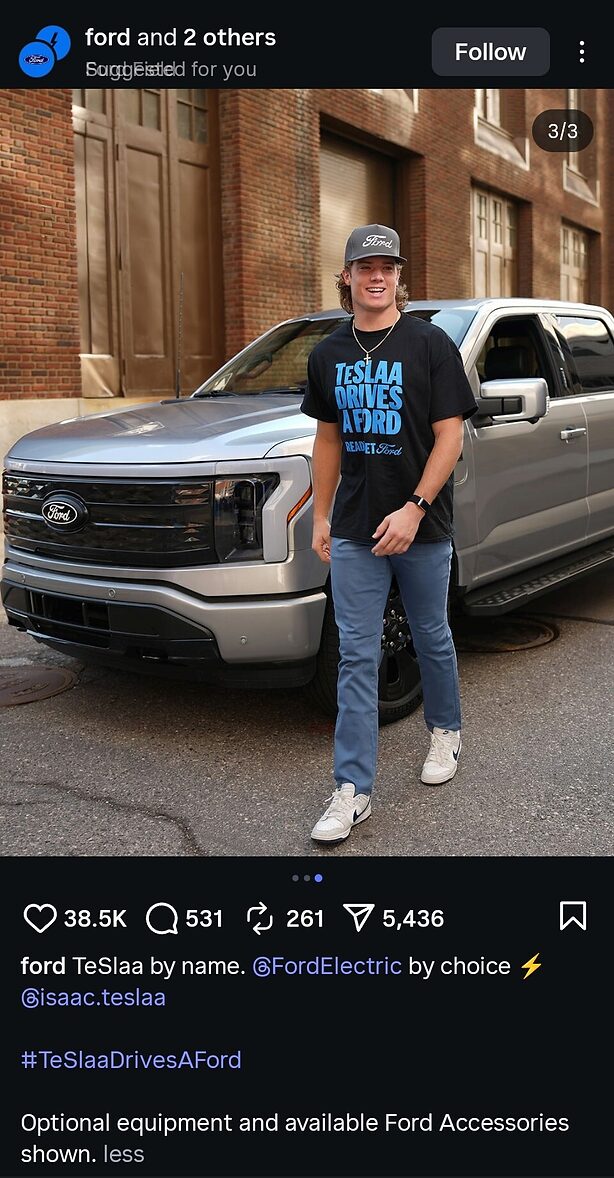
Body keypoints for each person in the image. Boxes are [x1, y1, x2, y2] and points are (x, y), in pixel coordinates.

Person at [301, 224, 478, 843]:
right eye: (364, 267)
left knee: (430, 633)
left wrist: (414, 508)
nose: (376, 277)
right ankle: (352, 789)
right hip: (353, 524)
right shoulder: (327, 354)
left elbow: (450, 435)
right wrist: (321, 515)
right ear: (346, 278)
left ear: (400, 276)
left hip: (421, 526)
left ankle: (445, 732)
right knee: (356, 651)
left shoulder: (429, 345)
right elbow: (327, 440)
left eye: (387, 267)